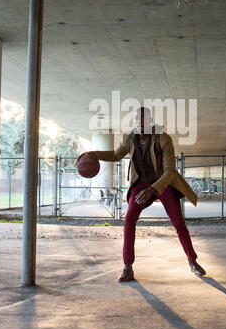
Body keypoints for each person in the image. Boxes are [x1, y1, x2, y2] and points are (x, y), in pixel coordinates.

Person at [82, 107, 206, 281]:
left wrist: (153, 189)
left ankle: (192, 261)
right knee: (129, 219)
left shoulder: (163, 138)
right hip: (140, 184)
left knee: (178, 221)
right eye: (136, 120)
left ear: (150, 121)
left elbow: (170, 171)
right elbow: (116, 155)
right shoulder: (130, 137)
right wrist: (93, 153)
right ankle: (128, 267)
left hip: (163, 182)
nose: (140, 123)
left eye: (143, 120)